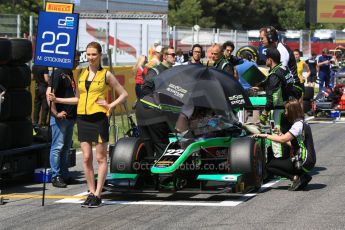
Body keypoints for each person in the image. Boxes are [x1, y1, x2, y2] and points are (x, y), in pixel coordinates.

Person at [48, 41, 128, 208]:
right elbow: (78, 98)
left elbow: (124, 93)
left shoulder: (106, 74)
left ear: (100, 55)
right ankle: (91, 192)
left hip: (99, 119)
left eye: (94, 54)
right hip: (82, 119)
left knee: (100, 157)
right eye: (88, 54)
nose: (90, 57)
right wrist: (58, 99)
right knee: (86, 158)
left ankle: (98, 194)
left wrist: (111, 105)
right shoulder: (81, 73)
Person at [254, 99, 316, 191]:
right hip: (308, 160)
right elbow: (291, 144)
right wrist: (280, 133)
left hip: (304, 160)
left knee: (269, 165)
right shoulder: (302, 123)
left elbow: (283, 140)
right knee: (277, 162)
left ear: (292, 111)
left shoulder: (297, 125)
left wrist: (265, 135)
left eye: (287, 110)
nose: (285, 113)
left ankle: (296, 178)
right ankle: (303, 176)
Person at [46, 51, 81, 188]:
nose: (77, 63)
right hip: (60, 118)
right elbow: (49, 95)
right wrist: (55, 113)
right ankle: (56, 176)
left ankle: (65, 174)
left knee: (66, 148)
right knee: (57, 147)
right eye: (75, 60)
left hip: (70, 118)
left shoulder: (69, 74)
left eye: (78, 60)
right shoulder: (58, 73)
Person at [136, 46, 176, 157]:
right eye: (172, 55)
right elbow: (145, 89)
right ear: (164, 56)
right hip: (150, 111)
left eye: (175, 54)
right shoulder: (156, 70)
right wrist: (160, 100)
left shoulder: (173, 71)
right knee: (159, 146)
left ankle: (152, 172)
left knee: (154, 147)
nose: (175, 57)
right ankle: (164, 174)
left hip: (155, 112)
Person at [260, 47, 294, 160]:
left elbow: (272, 99)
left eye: (266, 59)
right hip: (288, 107)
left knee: (276, 137)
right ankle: (292, 159)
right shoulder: (284, 68)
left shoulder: (274, 74)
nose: (265, 61)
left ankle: (280, 165)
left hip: (277, 111)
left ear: (270, 59)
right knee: (288, 135)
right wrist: (261, 85)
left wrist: (265, 112)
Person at [259, 26, 303, 101]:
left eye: (262, 38)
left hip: (291, 90)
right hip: (284, 89)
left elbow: (281, 75)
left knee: (262, 103)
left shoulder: (281, 51)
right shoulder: (274, 49)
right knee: (256, 100)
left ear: (270, 37)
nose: (260, 40)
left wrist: (265, 86)